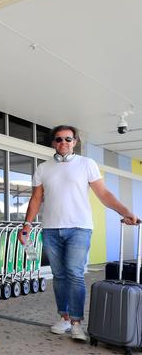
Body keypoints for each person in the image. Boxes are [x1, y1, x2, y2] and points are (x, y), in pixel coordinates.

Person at [19, 125, 138, 341]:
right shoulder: (43, 168)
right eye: (58, 139)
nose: (63, 142)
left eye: (68, 139)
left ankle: (76, 322)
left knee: (74, 274)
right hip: (50, 229)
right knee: (59, 276)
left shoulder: (86, 164)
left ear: (75, 142)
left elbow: (103, 193)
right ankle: (63, 317)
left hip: (79, 228)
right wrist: (26, 225)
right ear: (53, 142)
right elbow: (36, 199)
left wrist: (126, 212)